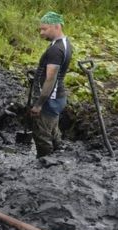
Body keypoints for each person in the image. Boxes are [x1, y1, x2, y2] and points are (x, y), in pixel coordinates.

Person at [30, 11, 73, 158]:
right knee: (53, 129)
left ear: (56, 27)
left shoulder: (55, 49)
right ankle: (58, 156)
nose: (41, 33)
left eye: (45, 29)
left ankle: (45, 164)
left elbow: (51, 79)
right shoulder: (65, 44)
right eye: (40, 29)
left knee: (42, 135)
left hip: (50, 99)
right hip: (58, 97)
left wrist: (38, 104)